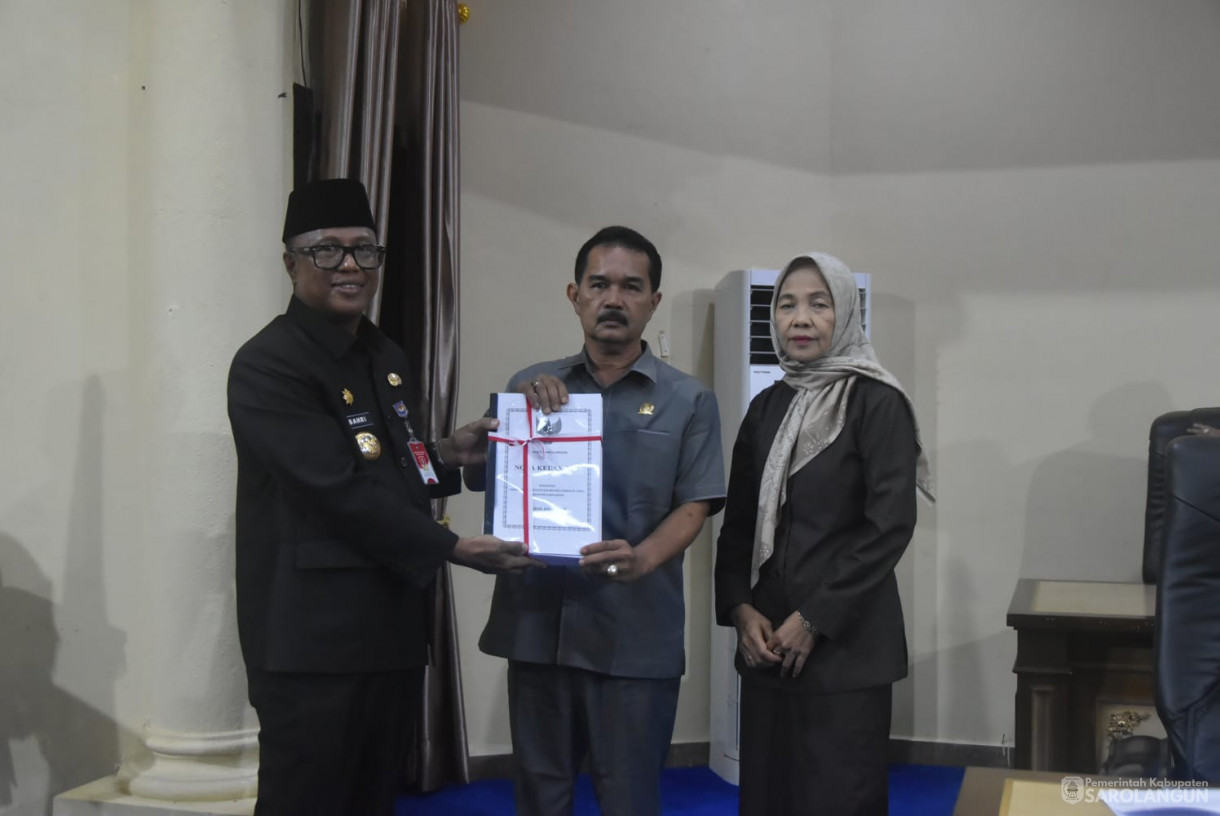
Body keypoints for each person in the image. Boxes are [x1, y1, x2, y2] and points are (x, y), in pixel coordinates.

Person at [227, 178, 537, 816]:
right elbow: (336, 489)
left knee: (372, 800)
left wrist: (449, 454)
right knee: (305, 802)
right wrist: (454, 546)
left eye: (365, 250)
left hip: (390, 629)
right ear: (291, 263)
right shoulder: (268, 365)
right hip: (311, 644)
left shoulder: (383, 354)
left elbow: (394, 457)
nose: (349, 265)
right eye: (328, 251)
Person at [466, 226, 727, 816]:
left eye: (631, 287)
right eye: (599, 284)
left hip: (634, 633)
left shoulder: (688, 399)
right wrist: (515, 421)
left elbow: (696, 504)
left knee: (629, 797)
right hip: (538, 626)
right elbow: (492, 480)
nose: (614, 298)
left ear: (653, 302)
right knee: (540, 794)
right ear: (574, 294)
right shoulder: (528, 388)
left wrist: (644, 558)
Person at [713, 252, 934, 816]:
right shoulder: (766, 406)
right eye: (787, 305)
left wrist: (814, 620)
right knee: (769, 799)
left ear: (848, 314)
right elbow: (737, 524)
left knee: (838, 800)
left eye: (819, 303)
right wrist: (740, 608)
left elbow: (889, 528)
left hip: (846, 649)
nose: (801, 318)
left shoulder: (877, 401)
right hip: (767, 646)